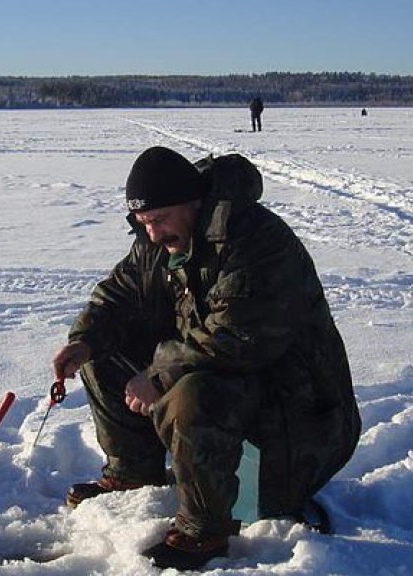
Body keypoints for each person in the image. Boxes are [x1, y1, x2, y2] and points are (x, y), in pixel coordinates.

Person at [52, 146, 361, 570]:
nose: (154, 234)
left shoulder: (257, 241)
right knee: (106, 354)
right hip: (245, 401)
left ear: (194, 203)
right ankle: (132, 475)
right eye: (144, 223)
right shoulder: (159, 240)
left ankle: (205, 530)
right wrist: (85, 340)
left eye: (160, 220)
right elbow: (120, 293)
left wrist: (158, 377)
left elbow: (238, 337)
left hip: (297, 430)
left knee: (191, 390)